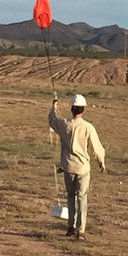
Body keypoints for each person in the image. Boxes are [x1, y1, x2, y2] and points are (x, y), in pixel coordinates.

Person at [49, 94, 107, 239]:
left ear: (71, 109)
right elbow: (97, 148)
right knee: (82, 198)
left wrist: (53, 107)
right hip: (82, 168)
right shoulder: (88, 127)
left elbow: (52, 121)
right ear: (83, 110)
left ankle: (71, 227)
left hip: (68, 167)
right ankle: (80, 231)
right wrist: (101, 162)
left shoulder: (64, 124)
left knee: (70, 196)